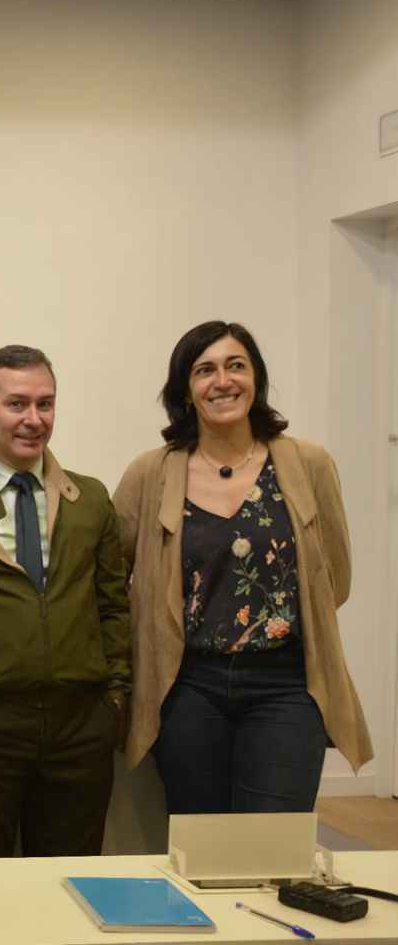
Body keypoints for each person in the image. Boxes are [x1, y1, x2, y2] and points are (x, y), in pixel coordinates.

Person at [114, 321, 370, 813]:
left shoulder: (308, 463)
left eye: (237, 366)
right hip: (187, 686)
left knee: (273, 843)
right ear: (186, 391)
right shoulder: (151, 473)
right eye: (205, 370)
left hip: (287, 684)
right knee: (201, 846)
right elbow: (112, 578)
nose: (223, 381)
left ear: (257, 380)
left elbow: (334, 576)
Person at [0, 345, 130, 858]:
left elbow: (114, 605)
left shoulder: (91, 499)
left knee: (70, 885)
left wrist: (113, 700)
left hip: (79, 725)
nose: (34, 419)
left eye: (46, 404)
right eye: (17, 404)